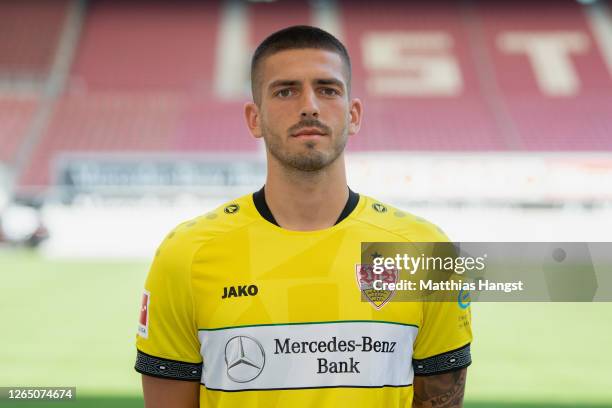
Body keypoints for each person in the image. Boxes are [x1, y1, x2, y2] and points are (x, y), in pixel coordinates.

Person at [135, 25, 472, 408]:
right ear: (254, 118)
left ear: (354, 114)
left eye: (328, 89)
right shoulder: (186, 255)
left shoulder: (426, 251)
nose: (309, 105)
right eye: (285, 91)